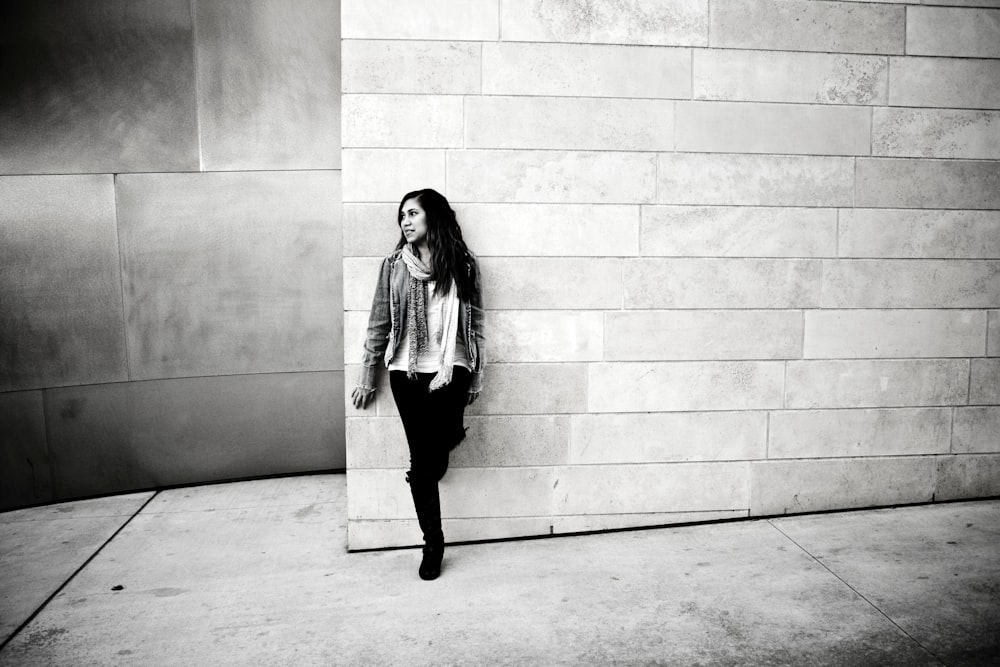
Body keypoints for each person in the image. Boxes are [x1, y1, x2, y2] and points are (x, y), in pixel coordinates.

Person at [351, 188, 485, 581]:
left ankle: (440, 452)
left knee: (436, 454)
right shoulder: (394, 265)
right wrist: (368, 371)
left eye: (412, 214)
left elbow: (477, 323)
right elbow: (379, 321)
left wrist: (477, 373)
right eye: (402, 216)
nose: (405, 222)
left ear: (433, 217)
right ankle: (433, 543)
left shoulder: (463, 264)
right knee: (422, 464)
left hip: (451, 367)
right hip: (405, 372)